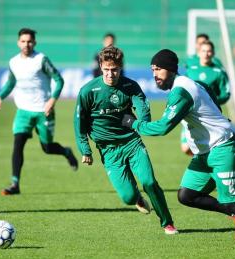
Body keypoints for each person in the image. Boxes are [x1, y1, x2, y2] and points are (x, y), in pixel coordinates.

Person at [122, 49, 235, 250]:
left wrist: (134, 124)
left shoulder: (181, 92)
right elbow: (209, 93)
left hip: (223, 147)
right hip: (205, 152)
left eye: (158, 69)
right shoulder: (189, 84)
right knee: (187, 195)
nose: (154, 75)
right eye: (152, 70)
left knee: (232, 200)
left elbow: (163, 127)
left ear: (171, 69)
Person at [74, 46, 178, 234]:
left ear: (121, 68)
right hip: (108, 150)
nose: (110, 74)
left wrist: (143, 123)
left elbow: (142, 106)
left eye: (114, 69)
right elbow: (79, 122)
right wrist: (85, 150)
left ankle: (167, 223)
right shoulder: (88, 91)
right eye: (106, 69)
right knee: (128, 197)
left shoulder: (130, 86)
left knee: (149, 182)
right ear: (100, 67)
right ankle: (136, 198)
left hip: (132, 143)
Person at [0, 28, 78, 196]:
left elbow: (59, 80)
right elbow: (11, 83)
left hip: (43, 111)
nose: (26, 44)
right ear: (18, 42)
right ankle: (15, 184)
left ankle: (66, 152)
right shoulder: (14, 62)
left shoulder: (41, 60)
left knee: (47, 148)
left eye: (30, 41)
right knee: (18, 145)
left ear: (35, 43)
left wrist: (52, 101)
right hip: (23, 111)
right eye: (23, 41)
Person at [182, 40, 230, 155]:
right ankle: (202, 162)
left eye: (209, 51)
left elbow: (226, 93)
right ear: (199, 53)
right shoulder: (191, 70)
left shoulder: (218, 72)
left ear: (213, 53)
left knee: (208, 144)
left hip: (209, 114)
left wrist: (212, 101)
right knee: (185, 148)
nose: (206, 53)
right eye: (203, 51)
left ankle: (205, 164)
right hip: (191, 113)